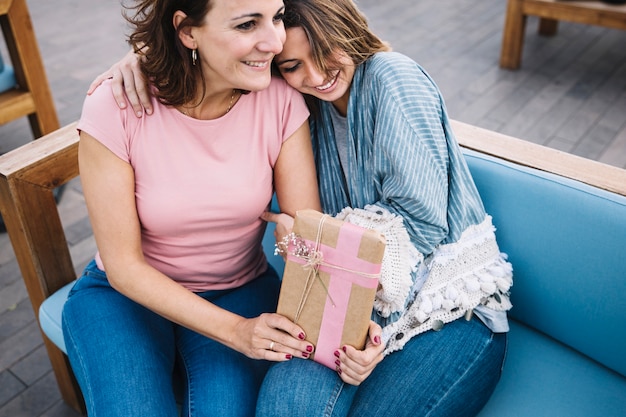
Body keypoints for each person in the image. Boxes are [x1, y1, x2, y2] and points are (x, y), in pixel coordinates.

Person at [94, 0, 514, 415]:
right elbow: (219, 50)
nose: (315, 75)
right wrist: (147, 54)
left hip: (445, 305)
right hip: (353, 297)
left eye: (322, 50)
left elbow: (421, 225)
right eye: (292, 65)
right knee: (285, 407)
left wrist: (321, 244)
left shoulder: (390, 78)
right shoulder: (302, 101)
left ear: (345, 27)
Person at [62, 0, 322, 416]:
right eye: (246, 24)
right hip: (123, 296)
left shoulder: (280, 98)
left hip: (239, 289)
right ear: (186, 31)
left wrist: (303, 249)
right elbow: (124, 266)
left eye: (276, 17)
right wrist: (236, 333)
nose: (274, 41)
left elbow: (311, 234)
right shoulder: (116, 104)